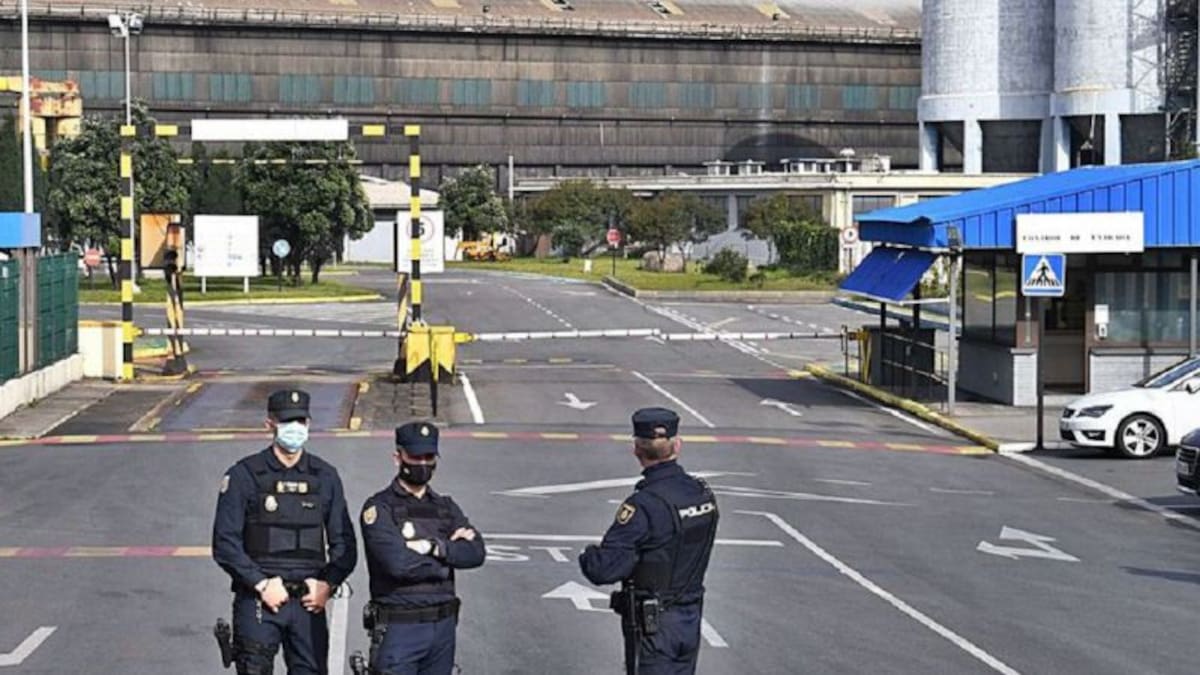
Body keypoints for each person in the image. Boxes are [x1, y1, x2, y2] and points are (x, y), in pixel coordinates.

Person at [212, 389, 358, 674]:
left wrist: (328, 585)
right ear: (269, 424)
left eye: (301, 421)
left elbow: (344, 543)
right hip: (259, 600)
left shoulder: (325, 476)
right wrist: (261, 583)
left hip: (308, 603)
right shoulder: (244, 475)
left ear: (309, 423)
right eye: (287, 421)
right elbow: (225, 543)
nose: (295, 428)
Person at [578, 407, 720, 675]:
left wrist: (589, 554)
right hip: (689, 616)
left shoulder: (644, 505)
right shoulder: (702, 494)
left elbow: (604, 569)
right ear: (677, 445)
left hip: (654, 624)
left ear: (637, 450)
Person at [357, 421, 486, 675]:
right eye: (415, 457)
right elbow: (398, 565)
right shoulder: (380, 508)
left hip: (443, 628)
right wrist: (449, 557)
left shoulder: (445, 507)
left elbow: (476, 552)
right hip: (399, 628)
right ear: (398, 457)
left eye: (429, 457)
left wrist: (433, 547)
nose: (423, 463)